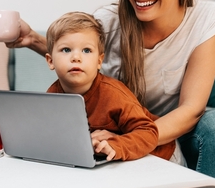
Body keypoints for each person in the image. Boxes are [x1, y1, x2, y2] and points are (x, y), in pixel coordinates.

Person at [6, 0, 215, 188]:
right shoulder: (108, 21)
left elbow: (192, 109)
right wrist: (35, 41)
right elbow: (78, 60)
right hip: (118, 131)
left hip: (171, 131)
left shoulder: (205, 17)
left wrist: (130, 141)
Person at [44, 11, 185, 165]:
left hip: (161, 156)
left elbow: (149, 133)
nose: (76, 57)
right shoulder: (52, 96)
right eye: (66, 50)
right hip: (112, 160)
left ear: (99, 61)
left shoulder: (113, 94)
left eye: (86, 50)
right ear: (50, 61)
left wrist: (115, 145)